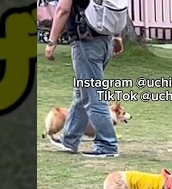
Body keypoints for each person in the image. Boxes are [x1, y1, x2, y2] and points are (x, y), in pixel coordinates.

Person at [44, 0, 124, 158]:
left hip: (86, 43)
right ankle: (69, 140)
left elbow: (63, 9)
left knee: (93, 95)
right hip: (105, 41)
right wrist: (117, 36)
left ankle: (107, 145)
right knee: (82, 93)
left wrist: (52, 41)